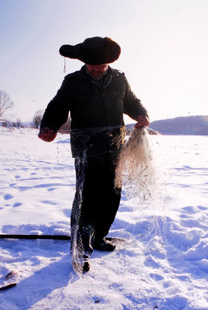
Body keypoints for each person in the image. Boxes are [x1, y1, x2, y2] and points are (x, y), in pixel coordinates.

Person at [38, 36, 149, 272]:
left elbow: (131, 102)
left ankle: (99, 237)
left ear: (108, 62)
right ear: (85, 63)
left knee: (112, 194)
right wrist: (49, 126)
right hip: (86, 147)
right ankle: (80, 250)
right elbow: (57, 107)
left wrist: (140, 114)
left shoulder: (119, 79)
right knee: (86, 197)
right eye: (92, 67)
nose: (97, 70)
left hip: (114, 146)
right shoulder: (73, 82)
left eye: (101, 67)